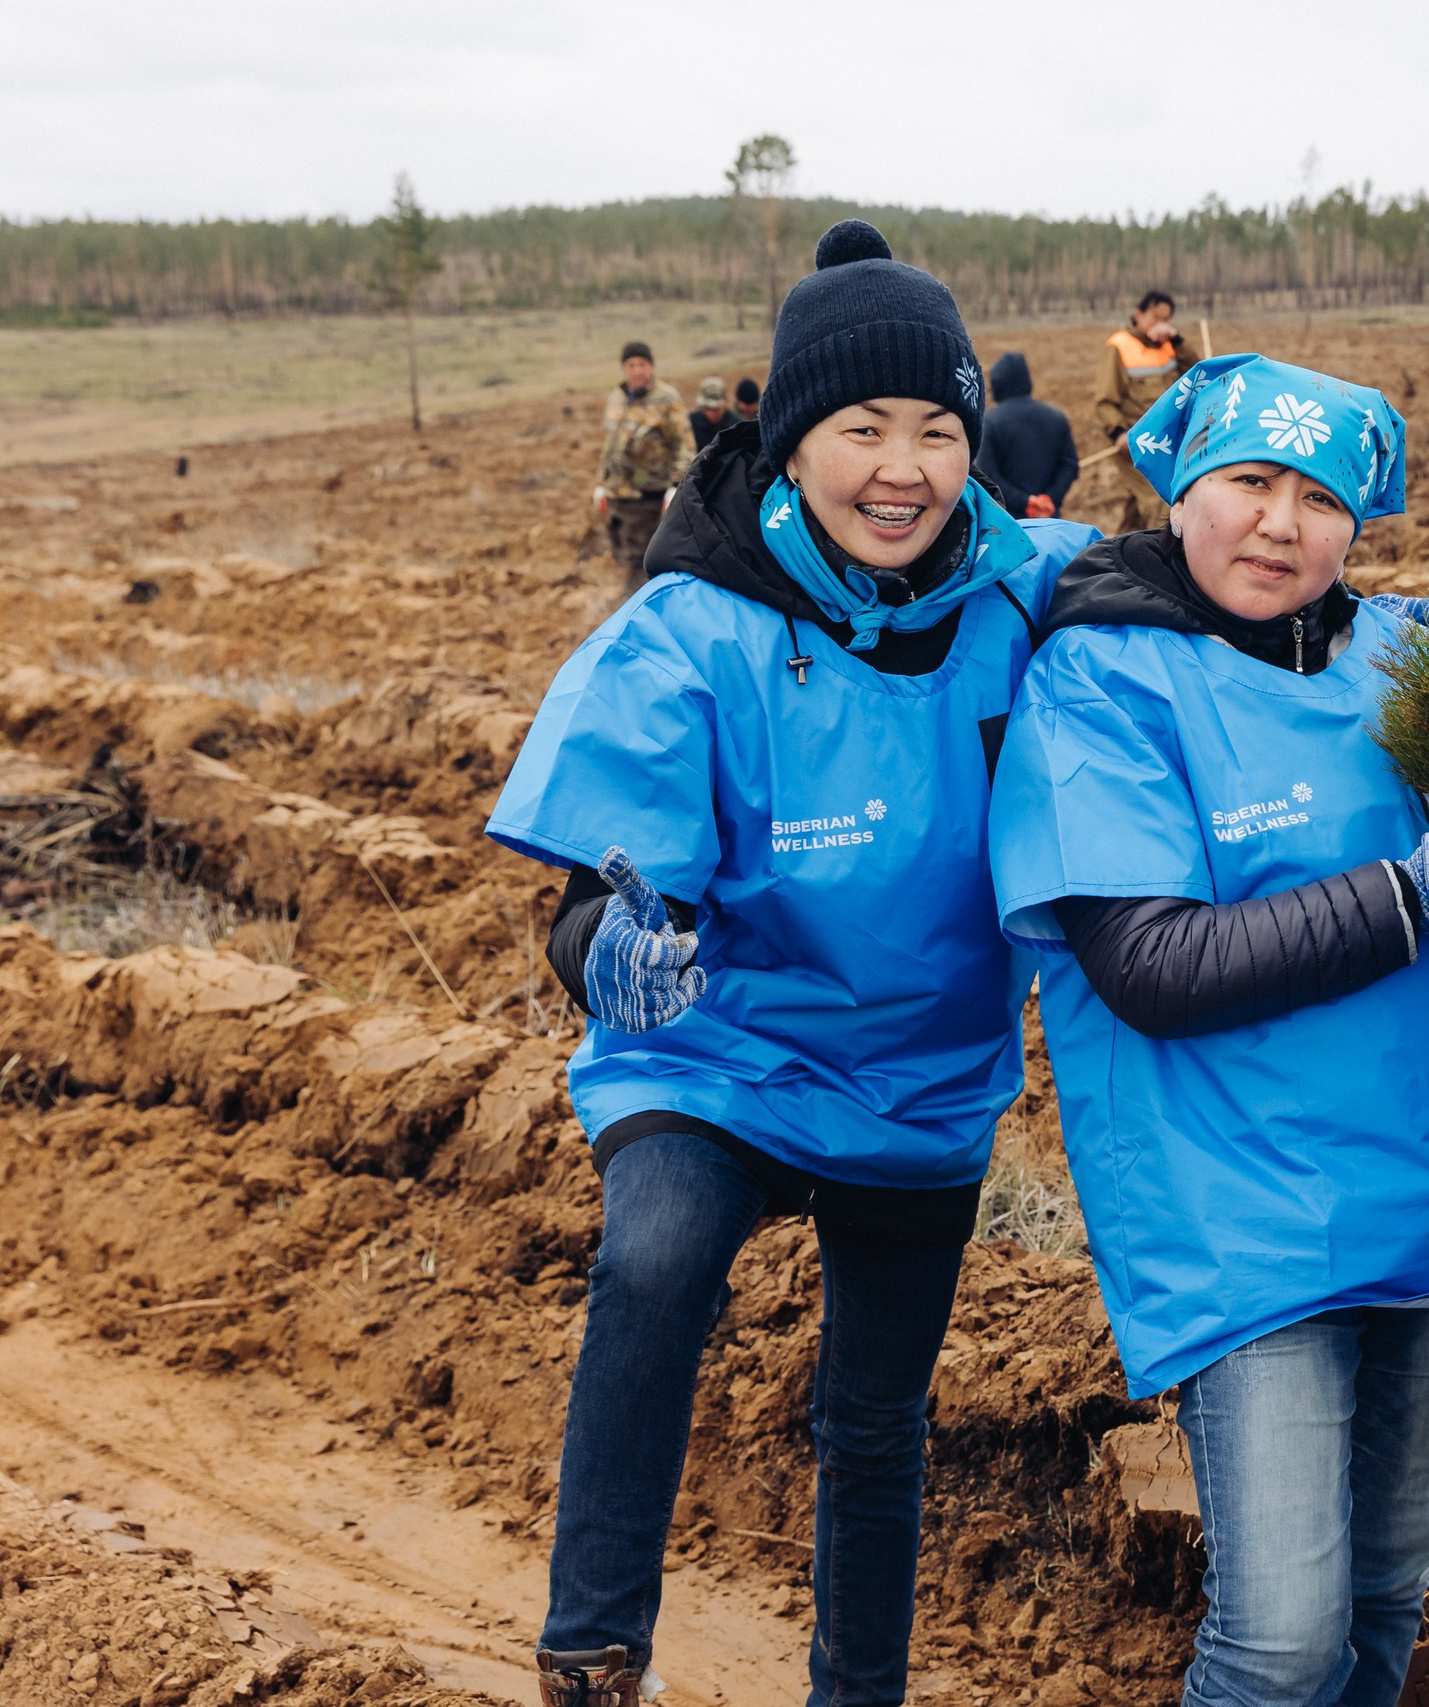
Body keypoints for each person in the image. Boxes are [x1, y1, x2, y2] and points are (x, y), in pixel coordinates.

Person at [487, 220, 1099, 1707]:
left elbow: (1237, 595)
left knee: (878, 1415)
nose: (904, 466)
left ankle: (857, 1690)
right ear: (790, 440)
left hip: (922, 1078)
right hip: (723, 1054)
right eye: (862, 428)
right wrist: (611, 950)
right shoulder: (694, 631)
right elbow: (592, 895)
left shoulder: (1035, 599)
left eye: (937, 430)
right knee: (653, 1259)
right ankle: (593, 1648)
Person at [991, 354, 1429, 1707]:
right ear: (1176, 484)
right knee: (1277, 1644)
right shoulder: (1102, 680)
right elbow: (1151, 961)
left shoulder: (1412, 653)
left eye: (1320, 496)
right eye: (1249, 482)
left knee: (1384, 1601)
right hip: (1249, 1215)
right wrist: (1408, 892)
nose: (1282, 522)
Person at [1091, 289, 1197, 533]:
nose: (1161, 325)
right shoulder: (1118, 346)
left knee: (1137, 506)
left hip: (1168, 441)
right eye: (1155, 318)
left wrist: (1178, 340)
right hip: (1137, 444)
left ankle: (1117, 551)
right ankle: (1159, 561)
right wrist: (1118, 432)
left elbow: (1197, 373)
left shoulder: (1170, 345)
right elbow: (1105, 400)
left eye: (1166, 320)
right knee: (1159, 502)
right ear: (1138, 315)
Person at [592, 342, 693, 595]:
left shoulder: (666, 399)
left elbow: (684, 445)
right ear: (624, 369)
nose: (637, 371)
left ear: (651, 367)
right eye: (631, 365)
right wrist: (601, 484)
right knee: (621, 555)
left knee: (641, 561)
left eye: (642, 365)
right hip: (617, 495)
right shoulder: (617, 398)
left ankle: (632, 608)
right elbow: (610, 444)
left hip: (648, 496)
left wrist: (675, 486)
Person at [974, 352, 1078, 520]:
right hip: (1049, 519)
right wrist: (1049, 499)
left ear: (997, 384)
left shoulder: (990, 422)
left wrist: (1026, 503)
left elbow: (987, 474)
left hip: (1009, 523)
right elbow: (1070, 465)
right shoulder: (1056, 417)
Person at [687, 375, 732, 451]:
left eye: (715, 409)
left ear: (725, 403)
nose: (710, 414)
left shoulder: (736, 426)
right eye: (707, 409)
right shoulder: (691, 423)